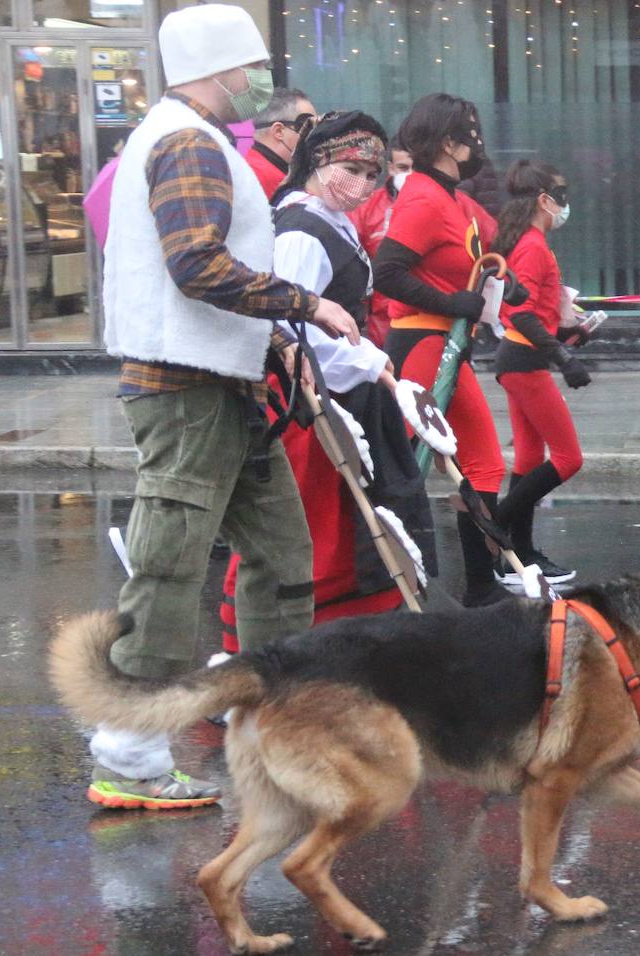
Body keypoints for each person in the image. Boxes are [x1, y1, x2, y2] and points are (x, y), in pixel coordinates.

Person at [89, 3, 361, 810]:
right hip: (188, 389)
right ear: (216, 67)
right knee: (173, 568)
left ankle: (270, 728)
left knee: (281, 562)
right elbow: (198, 266)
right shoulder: (188, 142)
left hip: (214, 382)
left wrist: (272, 340)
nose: (254, 85)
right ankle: (129, 754)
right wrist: (305, 309)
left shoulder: (185, 136)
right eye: (246, 69)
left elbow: (200, 272)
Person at [220, 110, 437, 653]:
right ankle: (288, 648)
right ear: (319, 160)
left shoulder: (324, 219)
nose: (363, 184)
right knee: (312, 527)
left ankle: (335, 643)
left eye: (373, 174)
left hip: (335, 391)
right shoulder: (301, 228)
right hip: (306, 399)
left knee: (339, 523)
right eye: (353, 168)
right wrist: (366, 363)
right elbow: (291, 327)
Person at [373, 93, 510, 607]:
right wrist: (456, 300)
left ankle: (480, 585)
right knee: (409, 465)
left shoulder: (448, 195)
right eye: (470, 132)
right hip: (426, 344)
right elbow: (387, 272)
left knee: (481, 465)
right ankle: (389, 578)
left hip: (446, 342)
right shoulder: (427, 197)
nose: (477, 142)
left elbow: (474, 254)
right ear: (449, 142)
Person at [490, 159, 589, 587]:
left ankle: (518, 554)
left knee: (530, 461)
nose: (566, 204)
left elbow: (533, 311)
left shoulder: (531, 241)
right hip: (523, 360)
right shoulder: (531, 244)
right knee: (568, 460)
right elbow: (518, 310)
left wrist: (570, 335)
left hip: (522, 357)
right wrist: (561, 357)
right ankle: (492, 527)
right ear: (544, 200)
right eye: (561, 195)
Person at [350, 139, 496, 347]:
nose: (409, 174)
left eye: (413, 167)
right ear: (390, 168)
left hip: (441, 325)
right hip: (383, 323)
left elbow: (493, 238)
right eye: (402, 168)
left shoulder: (453, 202)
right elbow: (359, 266)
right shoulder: (368, 208)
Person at [246, 87, 315, 199]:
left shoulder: (244, 164)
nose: (314, 134)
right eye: (308, 127)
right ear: (278, 131)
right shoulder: (265, 179)